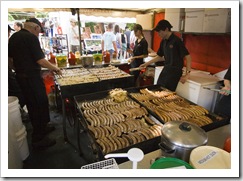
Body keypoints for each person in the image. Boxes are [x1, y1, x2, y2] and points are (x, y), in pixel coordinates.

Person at [8, 18, 63, 149]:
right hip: (31, 78)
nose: (39, 34)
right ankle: (38, 139)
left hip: (22, 77)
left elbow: (9, 59)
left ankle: (43, 128)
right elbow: (40, 59)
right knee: (38, 105)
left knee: (36, 104)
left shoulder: (14, 37)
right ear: (36, 28)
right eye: (39, 31)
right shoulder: (31, 38)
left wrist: (18, 69)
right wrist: (55, 68)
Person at [139, 19, 192, 91]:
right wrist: (146, 64)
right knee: (157, 88)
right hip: (166, 69)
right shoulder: (163, 41)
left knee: (167, 93)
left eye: (160, 32)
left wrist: (187, 75)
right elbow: (159, 56)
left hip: (175, 72)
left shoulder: (177, 41)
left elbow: (188, 56)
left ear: (166, 29)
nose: (158, 34)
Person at [8, 25, 29, 121]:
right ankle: (19, 114)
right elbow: (9, 58)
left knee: (18, 93)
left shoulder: (10, 41)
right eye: (8, 32)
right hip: (11, 74)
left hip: (13, 72)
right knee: (17, 93)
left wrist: (14, 69)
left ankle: (19, 113)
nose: (9, 34)